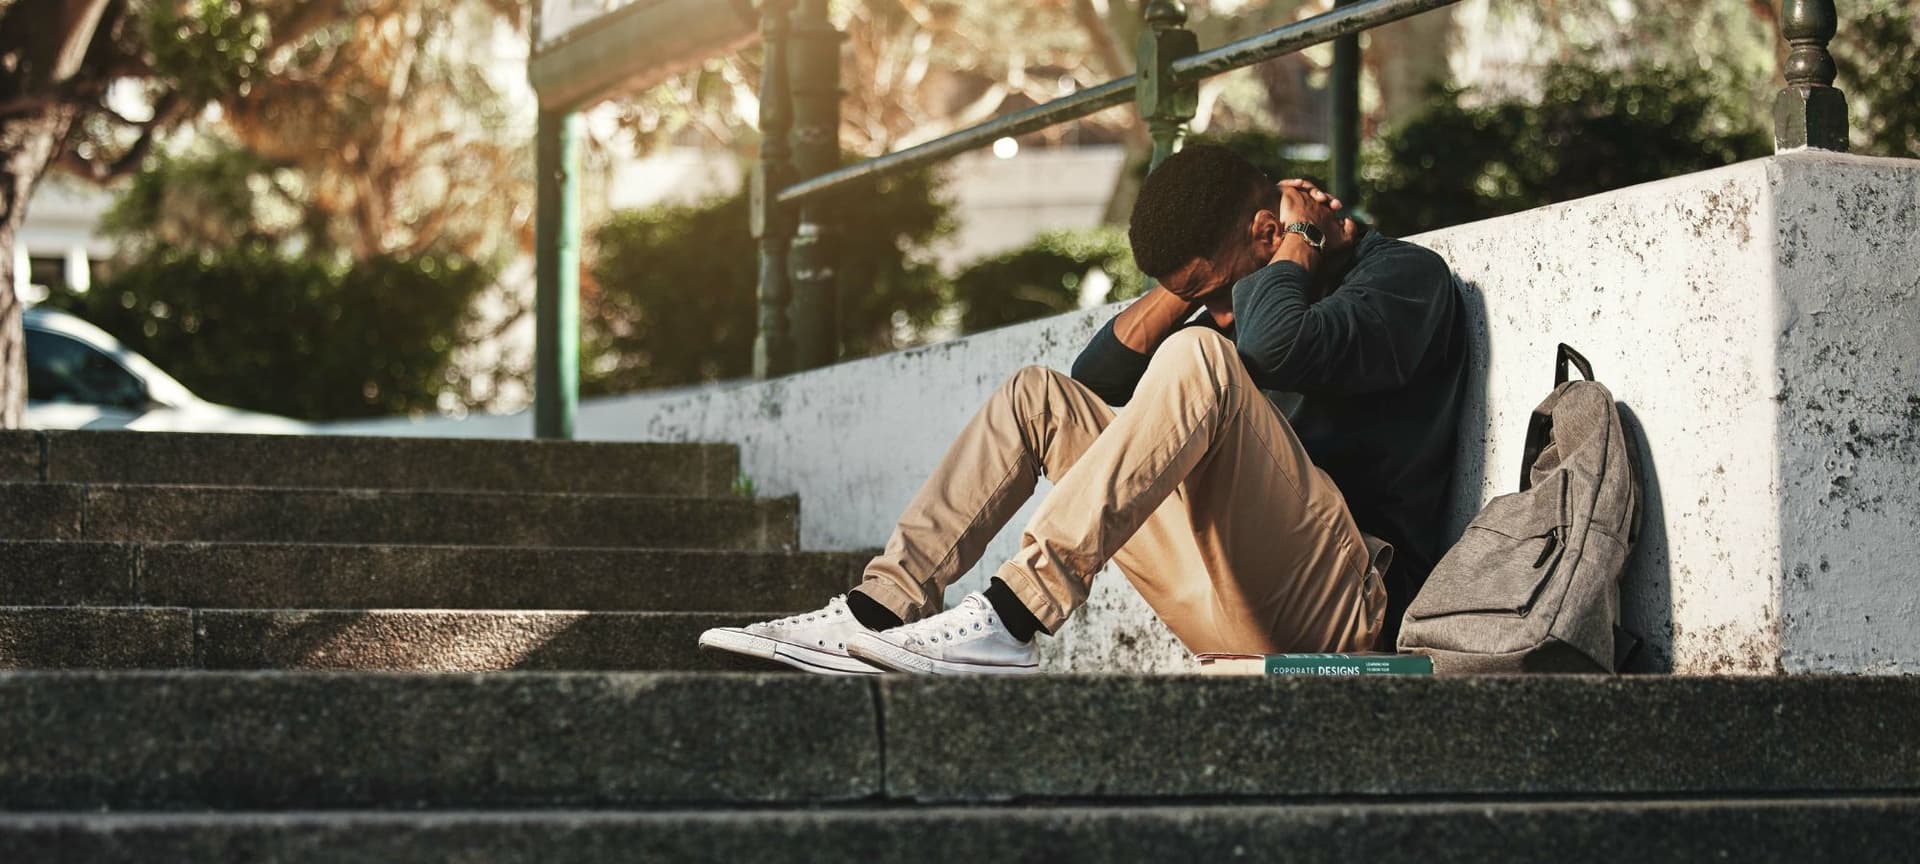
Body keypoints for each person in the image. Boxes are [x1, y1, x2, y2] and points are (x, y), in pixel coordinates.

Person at [700, 144, 1467, 675]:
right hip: (1230, 599)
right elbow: (1095, 376)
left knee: (1199, 357)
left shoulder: (1402, 281)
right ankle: (877, 611)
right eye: (1202, 296)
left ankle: (1014, 617)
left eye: (1215, 290)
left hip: (1350, 609)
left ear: (1269, 235)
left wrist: (1293, 238)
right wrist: (1193, 283)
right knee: (1038, 396)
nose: (1217, 311)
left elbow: (1277, 344)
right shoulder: (1246, 295)